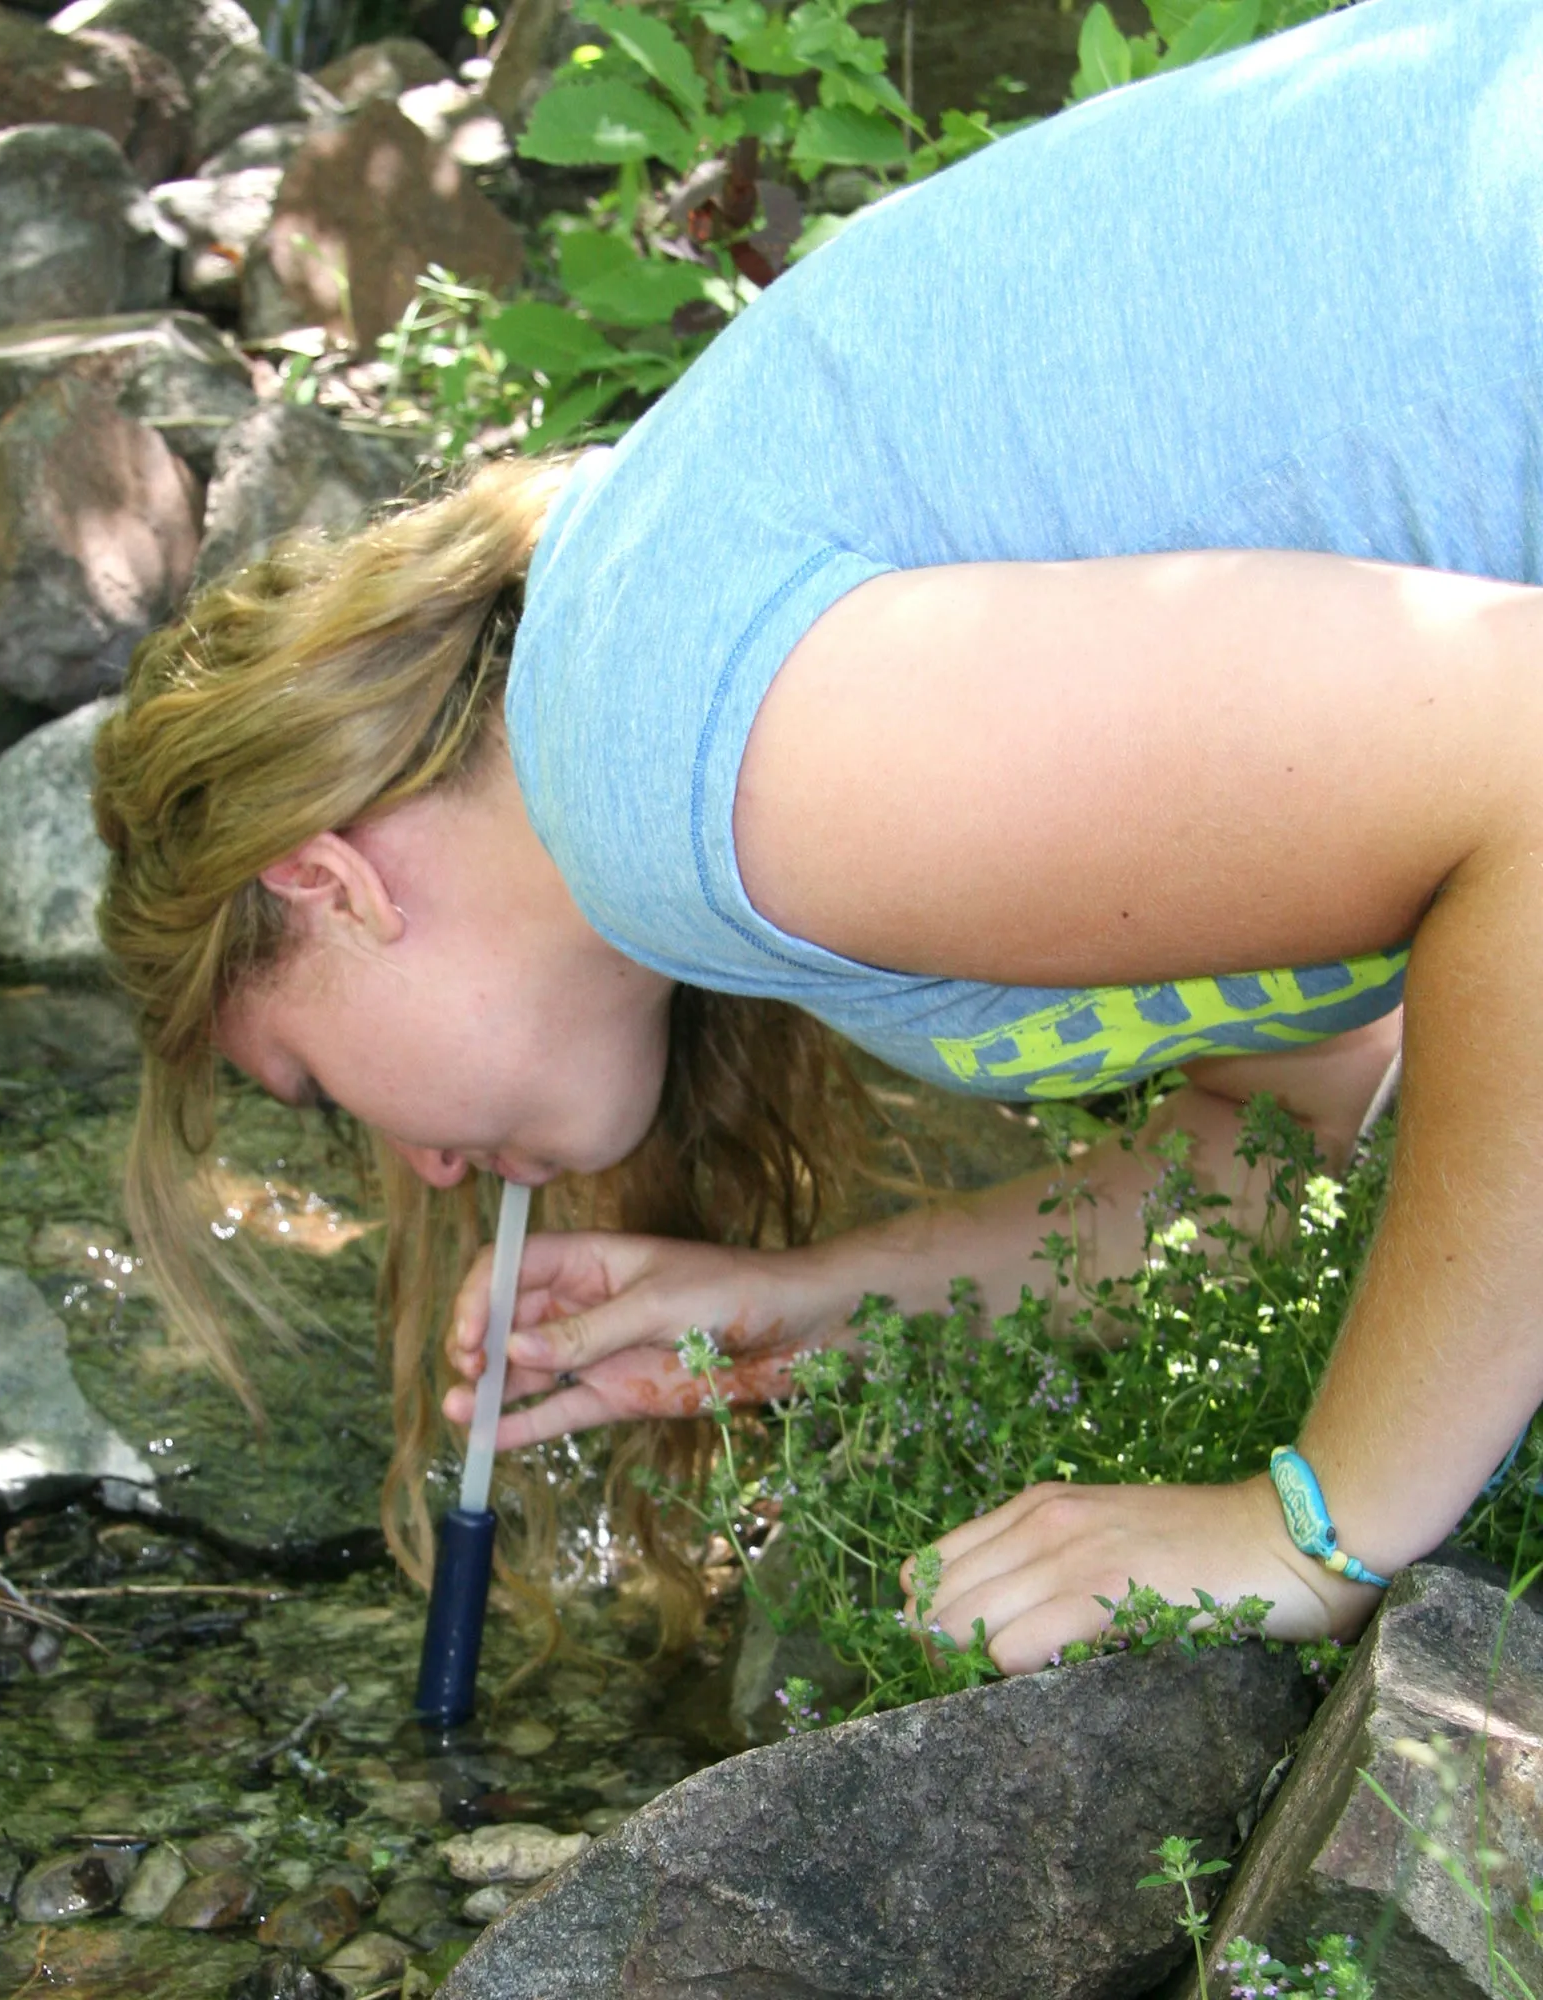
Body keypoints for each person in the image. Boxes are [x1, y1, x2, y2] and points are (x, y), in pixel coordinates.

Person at [92, 0, 1543, 1671]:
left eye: (318, 1093)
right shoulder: (673, 697)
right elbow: (1295, 1139)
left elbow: (1521, 763)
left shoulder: (657, 770)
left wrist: (1317, 1520)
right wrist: (824, 1301)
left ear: (327, 883)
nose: (416, 1169)